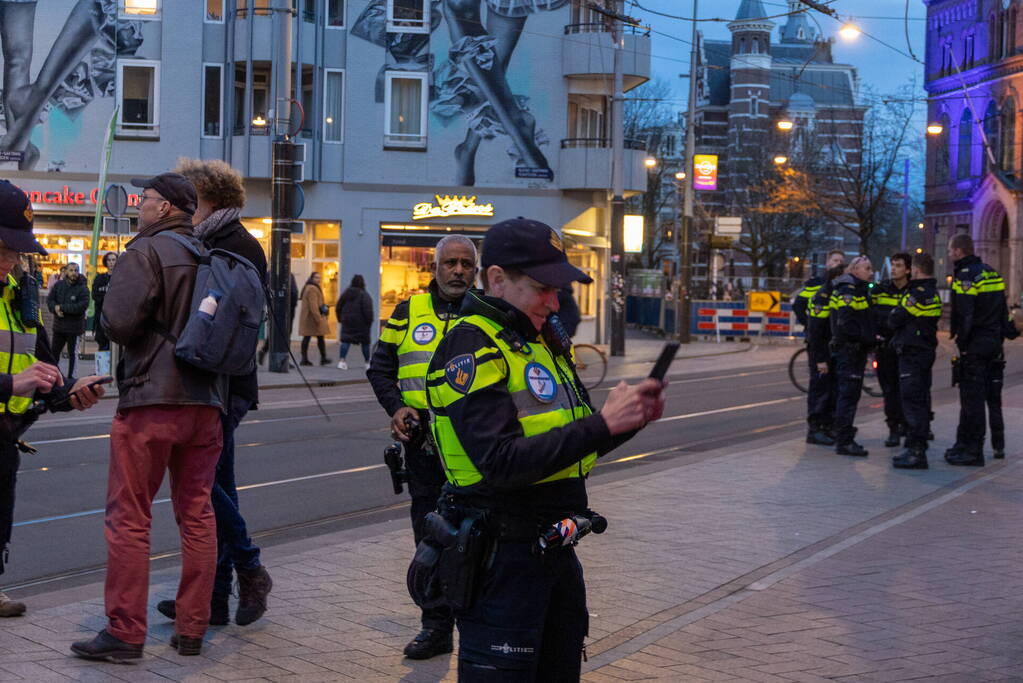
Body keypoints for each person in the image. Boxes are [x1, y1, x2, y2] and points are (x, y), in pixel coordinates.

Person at [425, 218, 665, 679]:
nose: (555, 302)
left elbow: (572, 448)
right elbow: (501, 463)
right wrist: (601, 425)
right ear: (497, 279)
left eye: (558, 289)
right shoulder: (472, 345)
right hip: (501, 559)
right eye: (542, 288)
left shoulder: (539, 342)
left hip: (551, 550)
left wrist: (627, 422)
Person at [71, 172, 225, 662]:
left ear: (165, 208)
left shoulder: (146, 251)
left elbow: (117, 322)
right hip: (206, 404)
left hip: (152, 403)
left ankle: (125, 631)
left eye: (146, 198)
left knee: (130, 517)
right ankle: (192, 628)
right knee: (197, 514)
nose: (140, 205)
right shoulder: (212, 256)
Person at [151, 158, 272, 628]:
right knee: (218, 487)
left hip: (224, 384)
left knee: (203, 486)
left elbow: (223, 323)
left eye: (190, 200)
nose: (185, 207)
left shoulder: (234, 245)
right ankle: (215, 596)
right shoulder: (212, 241)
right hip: (216, 383)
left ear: (208, 199)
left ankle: (249, 566)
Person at [366, 235, 477, 659]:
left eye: (467, 264)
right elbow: (381, 368)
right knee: (429, 538)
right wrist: (396, 408)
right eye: (450, 263)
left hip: (476, 450)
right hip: (425, 449)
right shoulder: (408, 311)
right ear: (436, 267)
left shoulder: (488, 314)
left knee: (478, 539)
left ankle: (478, 628)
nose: (458, 271)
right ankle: (435, 627)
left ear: (477, 269)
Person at [0, 179, 106, 618]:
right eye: (4, 249)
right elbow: (19, 381)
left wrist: (69, 394)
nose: (12, 261)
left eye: (16, 252)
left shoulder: (18, 297)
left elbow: (42, 370)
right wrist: (10, 387)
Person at [945, 234, 1011, 467]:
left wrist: (962, 345)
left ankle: (973, 450)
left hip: (975, 347)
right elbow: (1003, 312)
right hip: (993, 345)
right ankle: (962, 444)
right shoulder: (992, 273)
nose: (949, 253)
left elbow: (965, 314)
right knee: (979, 398)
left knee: (972, 400)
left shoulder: (965, 276)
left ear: (959, 251)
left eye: (950, 249)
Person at [889, 253, 941, 470]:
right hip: (923, 352)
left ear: (916, 270)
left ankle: (916, 452)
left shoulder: (917, 293)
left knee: (912, 402)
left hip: (913, 353)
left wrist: (895, 313)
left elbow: (895, 318)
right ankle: (914, 446)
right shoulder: (933, 293)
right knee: (919, 400)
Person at [798, 250, 847, 446]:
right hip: (820, 344)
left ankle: (826, 426)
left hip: (830, 345)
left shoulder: (838, 288)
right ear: (827, 263)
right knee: (820, 388)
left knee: (830, 388)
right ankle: (816, 428)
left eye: (841, 262)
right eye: (835, 261)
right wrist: (808, 324)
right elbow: (800, 306)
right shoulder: (818, 288)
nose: (838, 265)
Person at [828, 255, 875, 457]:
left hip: (854, 350)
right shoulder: (849, 290)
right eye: (867, 268)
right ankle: (844, 441)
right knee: (848, 397)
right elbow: (846, 323)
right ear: (855, 270)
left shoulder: (857, 289)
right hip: (850, 351)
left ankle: (844, 437)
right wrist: (867, 339)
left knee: (848, 396)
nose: (871, 272)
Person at [871, 252, 910, 447]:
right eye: (893, 265)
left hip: (906, 350)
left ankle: (908, 425)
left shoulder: (913, 291)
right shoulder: (880, 290)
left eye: (899, 265)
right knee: (889, 390)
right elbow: (870, 315)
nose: (894, 269)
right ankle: (893, 428)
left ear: (908, 270)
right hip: (885, 348)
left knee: (908, 390)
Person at [46, 261, 89, 378]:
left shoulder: (83, 288)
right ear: (65, 271)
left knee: (72, 355)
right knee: (54, 354)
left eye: (76, 270)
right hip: (59, 327)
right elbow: (50, 300)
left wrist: (61, 308)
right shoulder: (58, 285)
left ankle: (72, 378)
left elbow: (81, 306)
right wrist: (54, 308)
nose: (74, 273)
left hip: (74, 329)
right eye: (71, 270)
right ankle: (53, 377)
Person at [257, 273, 298, 366]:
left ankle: (279, 355)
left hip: (285, 308)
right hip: (280, 308)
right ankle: (279, 357)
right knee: (277, 333)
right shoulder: (272, 275)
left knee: (281, 333)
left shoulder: (287, 274)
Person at [335, 274, 373, 370]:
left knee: (345, 341)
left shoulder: (346, 294)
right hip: (362, 323)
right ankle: (367, 362)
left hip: (347, 322)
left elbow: (338, 307)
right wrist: (369, 322)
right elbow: (368, 309)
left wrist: (340, 319)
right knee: (365, 343)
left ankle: (341, 361)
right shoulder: (364, 295)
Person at [91, 252, 117, 375]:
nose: (112, 263)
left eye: (114, 260)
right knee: (102, 344)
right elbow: (95, 296)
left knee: (117, 347)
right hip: (101, 317)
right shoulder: (100, 278)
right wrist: (109, 298)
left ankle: (115, 372)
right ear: (106, 262)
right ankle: (101, 372)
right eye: (109, 260)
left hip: (116, 318)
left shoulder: (121, 278)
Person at [298, 272, 330, 366]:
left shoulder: (309, 287)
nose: (318, 280)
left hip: (309, 317)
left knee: (313, 337)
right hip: (311, 318)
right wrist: (318, 318)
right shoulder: (312, 288)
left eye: (319, 278)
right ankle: (308, 359)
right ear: (312, 278)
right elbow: (313, 305)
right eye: (316, 278)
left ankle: (312, 358)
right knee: (313, 337)